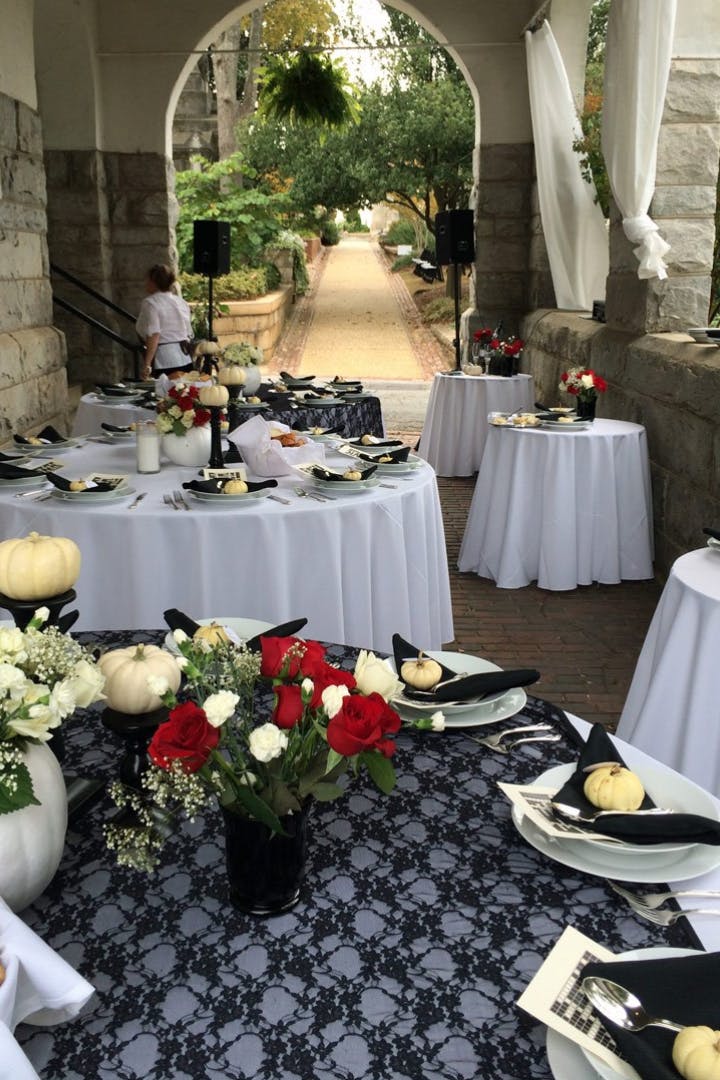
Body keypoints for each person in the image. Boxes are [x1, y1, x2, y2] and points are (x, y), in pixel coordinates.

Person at [136, 264, 193, 377]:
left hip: (165, 360)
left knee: (165, 392)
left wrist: (147, 363)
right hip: (185, 357)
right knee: (185, 392)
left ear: (153, 282)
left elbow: (154, 334)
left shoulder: (151, 303)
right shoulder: (181, 302)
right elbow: (188, 331)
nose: (145, 283)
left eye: (147, 280)